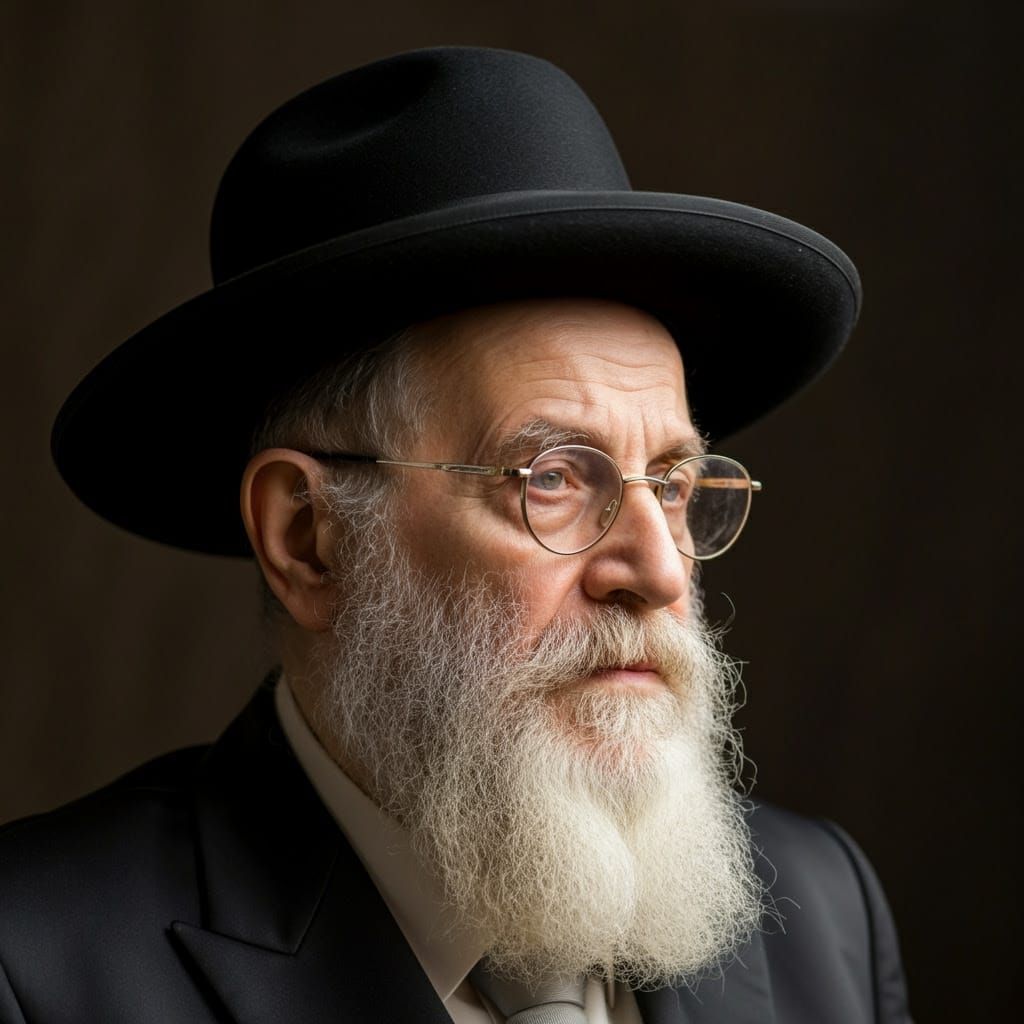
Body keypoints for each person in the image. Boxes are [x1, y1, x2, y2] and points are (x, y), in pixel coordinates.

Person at [0, 47, 911, 1023]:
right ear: (309, 538)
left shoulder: (822, 917)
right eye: (556, 478)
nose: (655, 569)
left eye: (673, 482)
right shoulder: (34, 965)